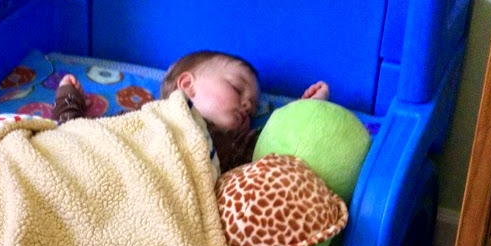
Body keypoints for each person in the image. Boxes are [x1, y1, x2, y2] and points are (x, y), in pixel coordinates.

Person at [54, 50, 329, 172]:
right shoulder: (142, 118)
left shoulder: (232, 146)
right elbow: (77, 141)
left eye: (254, 107)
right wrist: (69, 100)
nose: (248, 106)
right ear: (187, 86)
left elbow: (277, 142)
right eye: (237, 89)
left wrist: (305, 110)